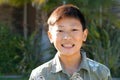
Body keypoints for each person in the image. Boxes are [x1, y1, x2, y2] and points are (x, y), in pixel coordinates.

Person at [29, 4, 112, 80]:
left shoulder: (101, 74)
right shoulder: (39, 75)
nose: (67, 37)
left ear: (84, 35)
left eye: (74, 30)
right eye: (60, 30)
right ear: (50, 36)